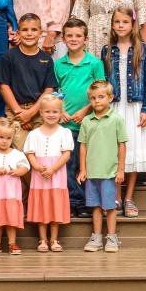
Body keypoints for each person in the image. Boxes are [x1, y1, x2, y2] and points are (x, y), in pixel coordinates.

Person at [101, 8, 146, 218]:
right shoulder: (107, 50)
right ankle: (116, 195)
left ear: (133, 25)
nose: (121, 25)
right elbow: (103, 80)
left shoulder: (143, 49)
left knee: (133, 152)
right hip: (113, 107)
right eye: (117, 22)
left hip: (135, 107)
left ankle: (129, 197)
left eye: (125, 22)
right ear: (112, 25)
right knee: (115, 153)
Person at [52, 18, 105, 219]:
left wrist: (85, 111)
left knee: (87, 163)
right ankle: (74, 201)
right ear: (64, 38)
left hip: (88, 122)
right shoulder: (58, 65)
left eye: (78, 36)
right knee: (69, 163)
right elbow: (55, 91)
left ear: (86, 39)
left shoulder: (94, 63)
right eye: (69, 36)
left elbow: (102, 91)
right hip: (65, 124)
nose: (73, 39)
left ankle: (87, 201)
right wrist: (61, 110)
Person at [77, 80, 127, 253]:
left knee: (110, 207)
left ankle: (112, 237)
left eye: (100, 97)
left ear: (110, 97)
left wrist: (120, 169)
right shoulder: (86, 121)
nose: (97, 101)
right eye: (93, 98)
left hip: (110, 173)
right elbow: (83, 146)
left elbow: (122, 145)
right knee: (96, 207)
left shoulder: (116, 120)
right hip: (92, 174)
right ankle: (97, 237)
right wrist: (83, 169)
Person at [0, 14, 58, 150]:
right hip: (15, 110)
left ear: (41, 33)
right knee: (21, 152)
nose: (29, 34)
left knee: (41, 150)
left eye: (34, 30)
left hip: (40, 111)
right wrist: (20, 114)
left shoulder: (46, 59)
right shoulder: (9, 57)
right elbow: (4, 86)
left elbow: (49, 89)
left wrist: (30, 113)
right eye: (25, 30)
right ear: (18, 33)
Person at [24, 94, 73, 252]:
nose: (51, 115)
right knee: (42, 207)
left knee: (55, 206)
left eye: (55, 112)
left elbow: (66, 154)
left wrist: (53, 169)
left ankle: (54, 239)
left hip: (56, 176)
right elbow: (30, 153)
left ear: (60, 113)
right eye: (47, 112)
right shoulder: (34, 134)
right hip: (40, 177)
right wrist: (37, 166)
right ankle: (42, 239)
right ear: (41, 113)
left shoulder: (64, 132)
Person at [0, 118, 31, 255]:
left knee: (11, 219)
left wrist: (18, 171)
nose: (4, 141)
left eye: (8, 138)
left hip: (11, 195)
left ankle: (12, 243)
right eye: (1, 137)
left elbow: (25, 167)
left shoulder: (16, 154)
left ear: (13, 137)